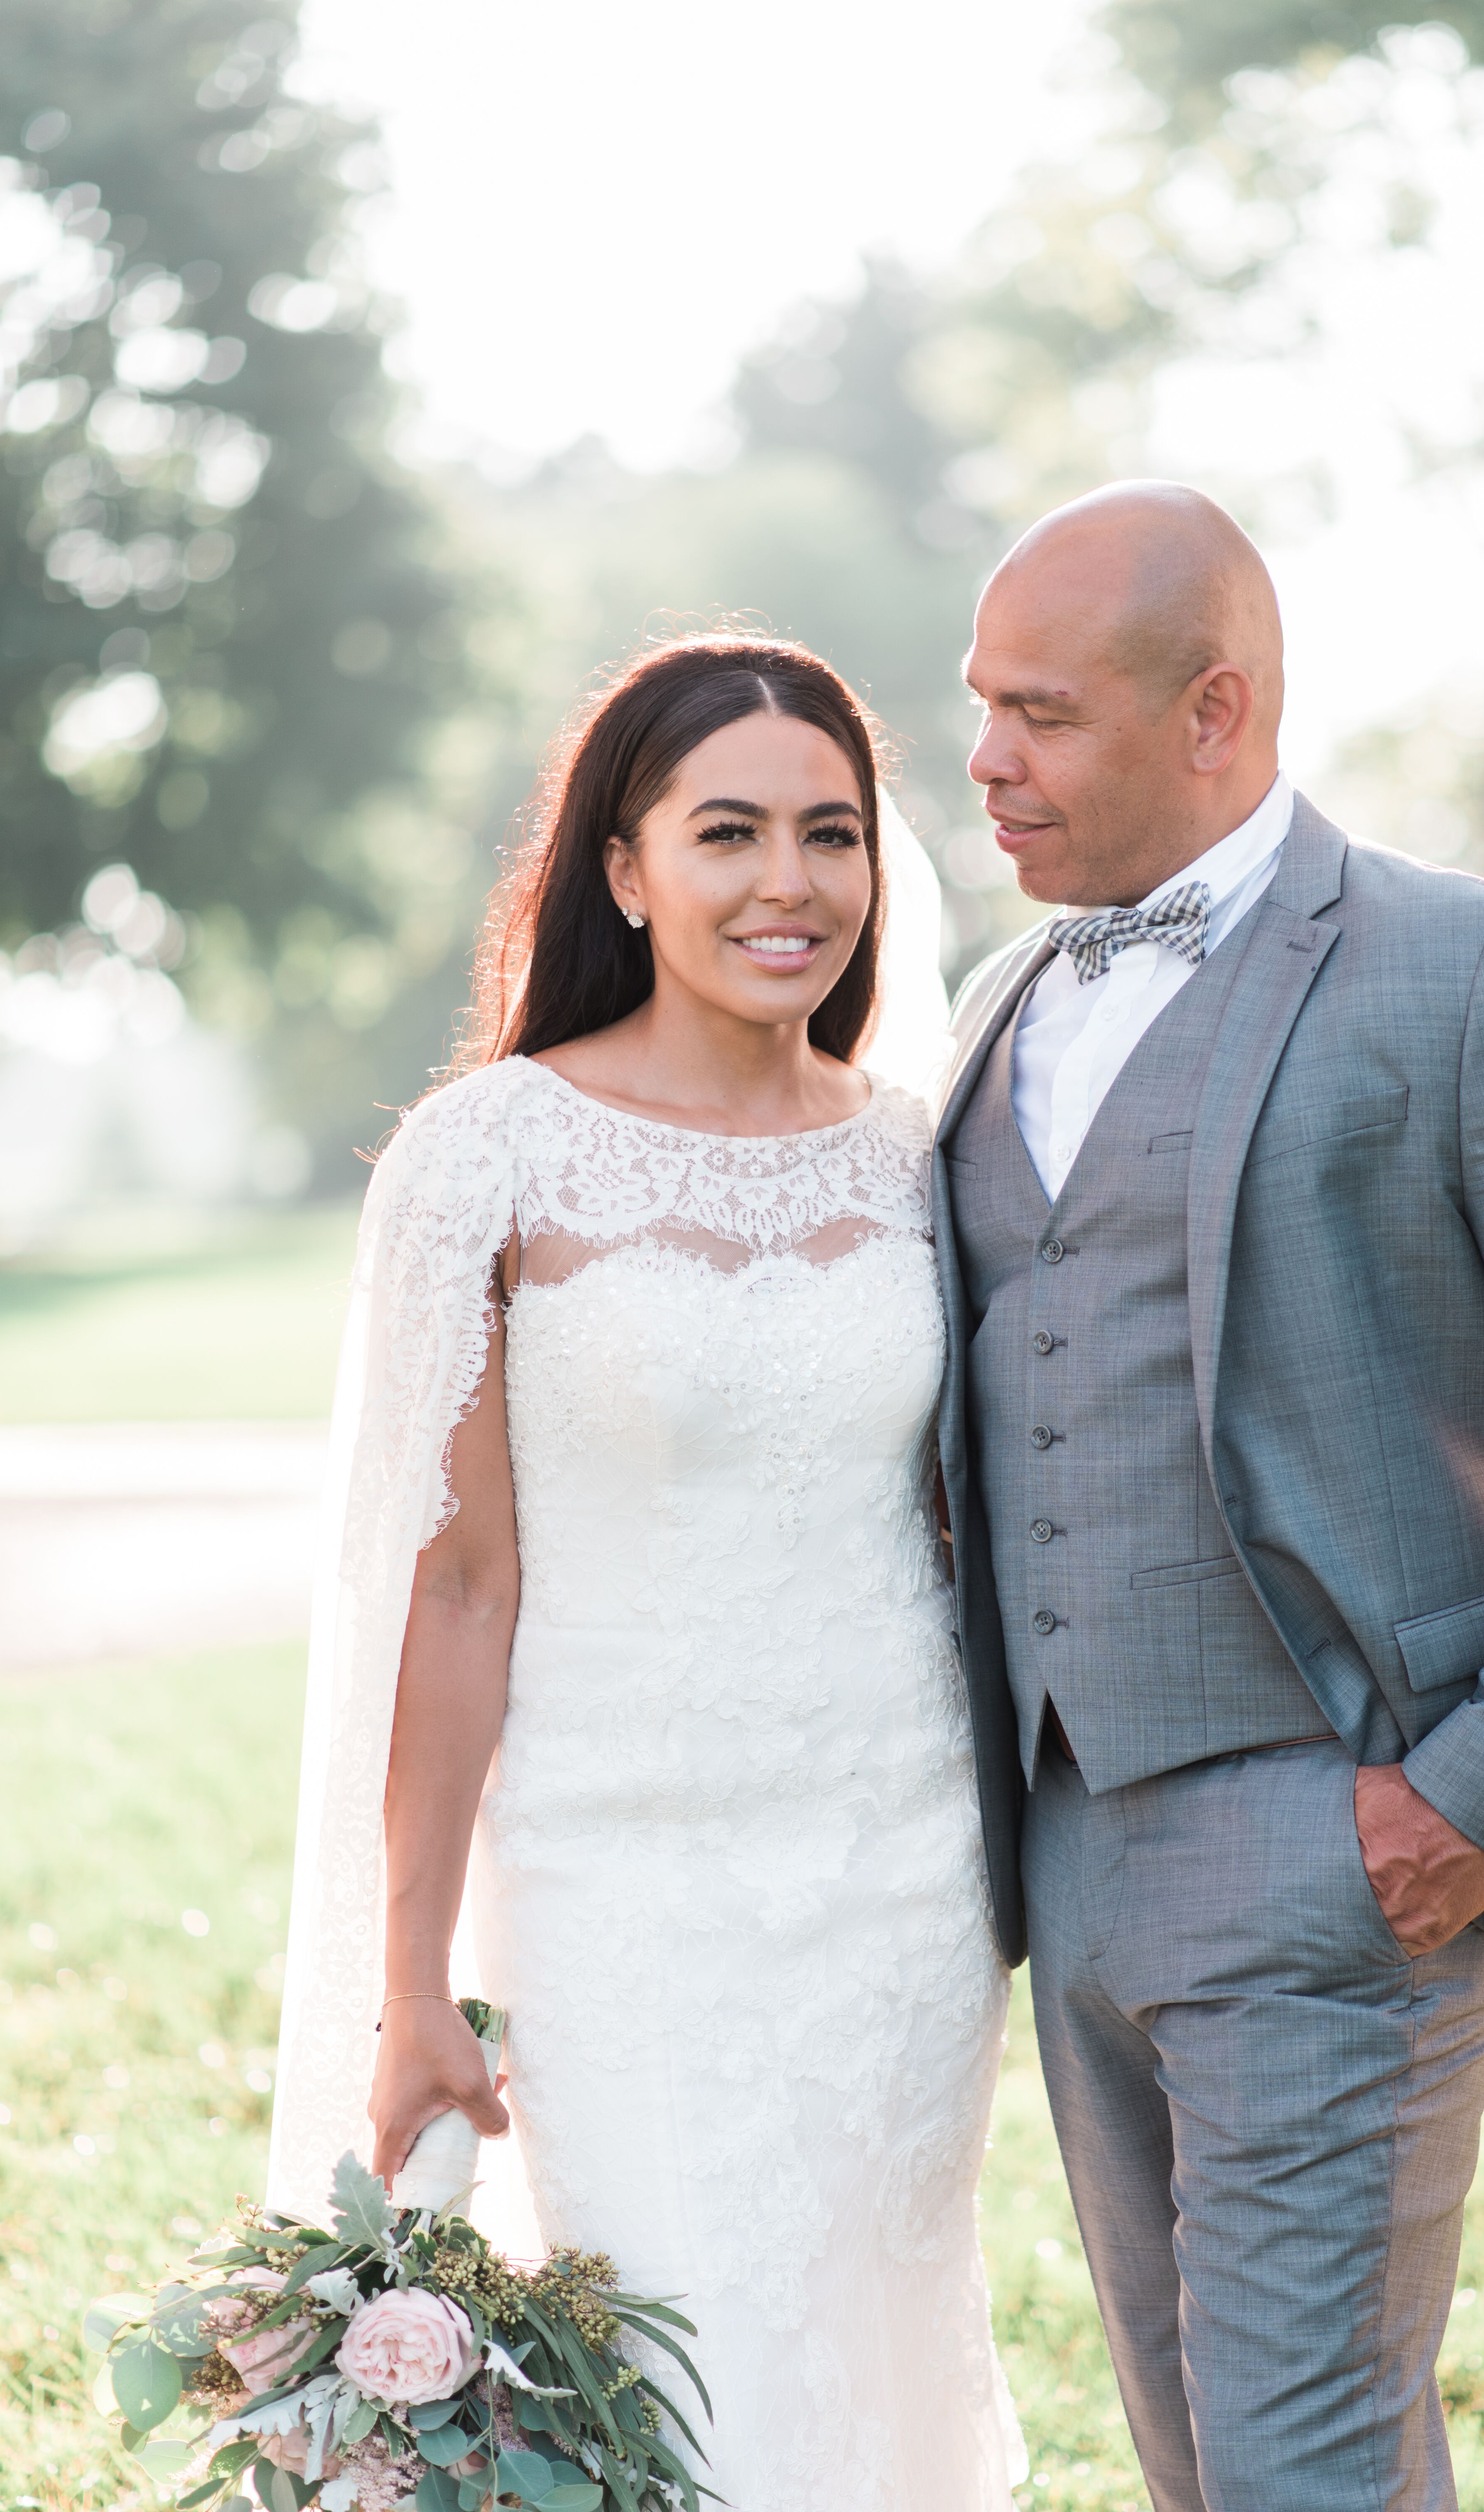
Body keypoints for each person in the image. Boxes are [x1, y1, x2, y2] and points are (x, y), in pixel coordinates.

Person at [934, 480, 1484, 2509]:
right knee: (1194, 2463)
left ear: (1215, 709)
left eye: (1041, 712)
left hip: (1345, 1831)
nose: (984, 759)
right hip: (1066, 1856)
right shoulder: (997, 1005)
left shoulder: (1465, 966)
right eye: (978, 704)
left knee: (1304, 2471)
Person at [266, 635, 1025, 2509]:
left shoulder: (919, 1154)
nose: (792, 883)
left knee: (869, 2375)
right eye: (731, 832)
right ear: (623, 867)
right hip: (619, 1892)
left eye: (832, 834)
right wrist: (413, 1983)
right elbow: (448, 1593)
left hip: (900, 1893)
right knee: (680, 2387)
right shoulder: (485, 1161)